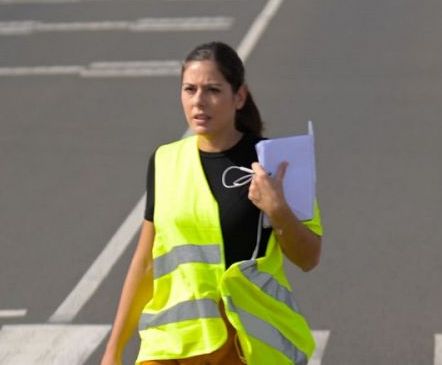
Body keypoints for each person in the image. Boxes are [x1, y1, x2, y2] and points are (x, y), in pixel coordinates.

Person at [101, 41, 322, 365]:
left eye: (213, 90)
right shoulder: (165, 161)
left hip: (246, 347)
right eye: (189, 89)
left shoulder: (277, 161)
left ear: (239, 96)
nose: (198, 101)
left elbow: (309, 257)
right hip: (173, 346)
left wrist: (278, 211)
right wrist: (113, 351)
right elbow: (146, 263)